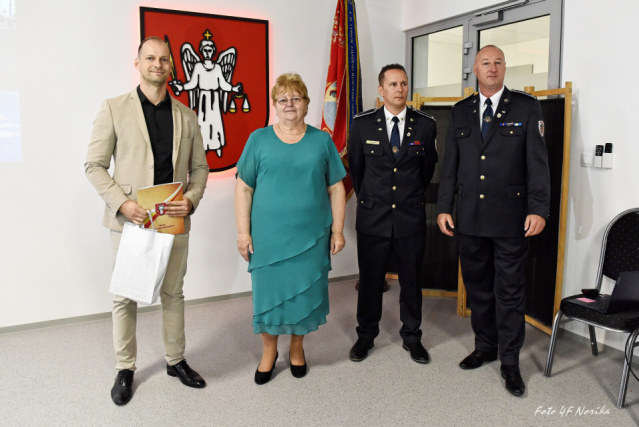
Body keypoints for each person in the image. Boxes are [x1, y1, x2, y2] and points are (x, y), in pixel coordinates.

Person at [85, 36, 209, 406]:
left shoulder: (186, 115)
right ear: (137, 63)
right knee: (125, 296)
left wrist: (191, 200)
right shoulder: (113, 108)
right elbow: (94, 165)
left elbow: (201, 168)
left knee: (173, 293)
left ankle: (176, 361)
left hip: (172, 217)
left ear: (171, 66)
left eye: (164, 59)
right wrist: (122, 204)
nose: (158, 64)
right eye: (150, 58)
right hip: (131, 219)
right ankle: (125, 368)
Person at [436, 45, 551, 397]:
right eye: (485, 62)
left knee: (510, 291)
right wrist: (444, 207)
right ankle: (485, 346)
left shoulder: (526, 107)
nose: (492, 68)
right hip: (469, 218)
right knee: (479, 288)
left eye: (498, 62)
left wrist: (538, 209)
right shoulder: (460, 110)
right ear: (475, 69)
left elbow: (538, 164)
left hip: (510, 218)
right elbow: (451, 165)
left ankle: (510, 361)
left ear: (504, 68)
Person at [235, 73, 347, 385]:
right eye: (282, 99)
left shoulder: (322, 141)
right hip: (267, 240)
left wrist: (338, 230)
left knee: (304, 294)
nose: (289, 104)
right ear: (274, 105)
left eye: (296, 98)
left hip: (310, 238)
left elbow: (337, 188)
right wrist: (243, 233)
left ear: (306, 104)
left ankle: (297, 347)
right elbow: (243, 188)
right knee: (269, 296)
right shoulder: (258, 140)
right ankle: (269, 351)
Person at [348, 64, 438, 364]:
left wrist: (405, 198)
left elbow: (427, 170)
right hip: (373, 217)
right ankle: (366, 335)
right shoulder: (362, 124)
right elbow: (357, 171)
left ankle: (412, 337)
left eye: (403, 83)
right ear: (381, 89)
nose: (400, 89)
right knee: (370, 280)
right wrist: (376, 199)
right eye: (393, 84)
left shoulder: (425, 125)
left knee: (411, 280)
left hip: (410, 217)